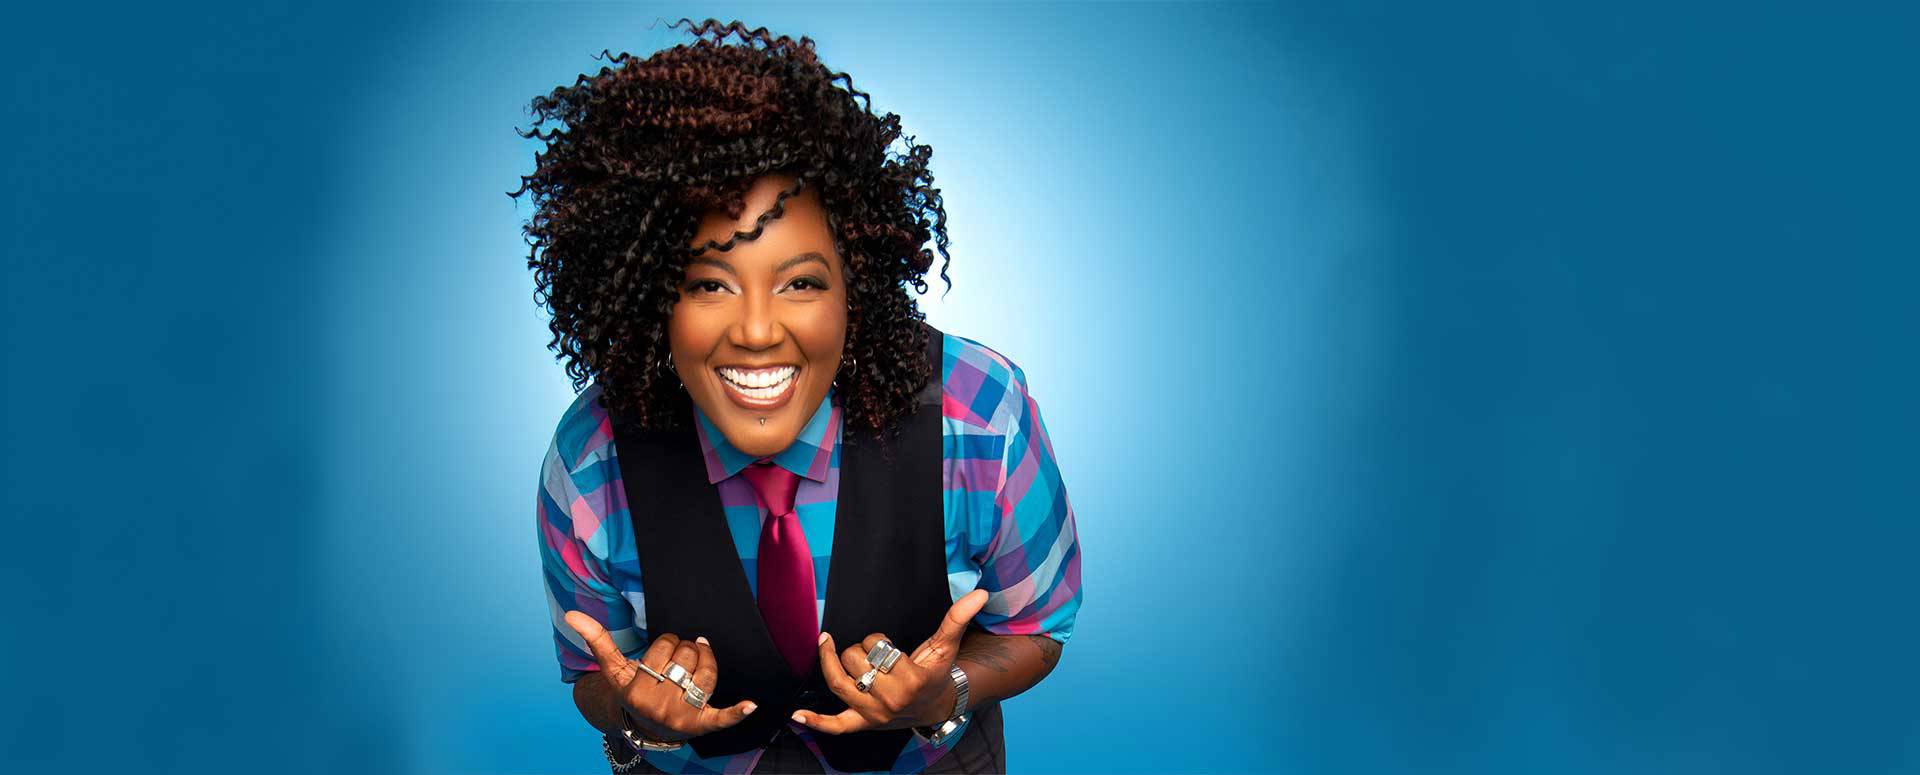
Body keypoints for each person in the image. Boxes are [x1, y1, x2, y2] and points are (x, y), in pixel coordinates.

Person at [511, 20, 1082, 775]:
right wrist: (634, 713)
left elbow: (1036, 627)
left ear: (855, 286)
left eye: (801, 282)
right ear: (653, 297)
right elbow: (594, 674)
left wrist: (946, 690)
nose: (756, 331)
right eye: (709, 284)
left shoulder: (978, 413)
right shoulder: (591, 460)